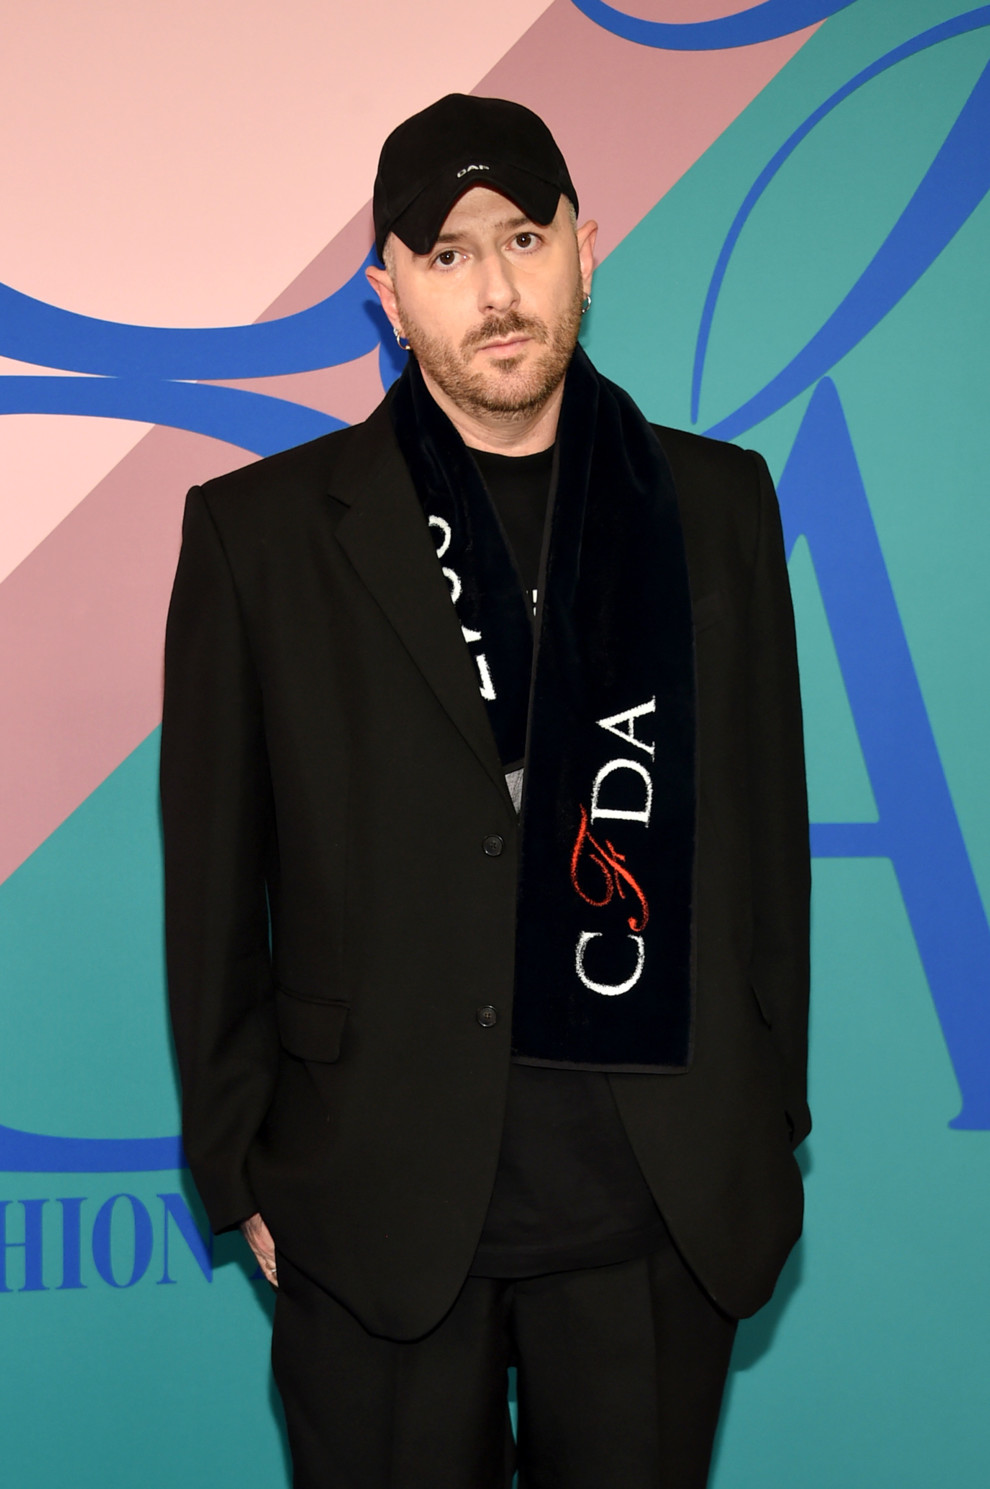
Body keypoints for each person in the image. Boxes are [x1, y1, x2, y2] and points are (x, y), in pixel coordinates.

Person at [161, 93, 810, 1489]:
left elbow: (766, 840)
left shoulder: (715, 505)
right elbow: (213, 882)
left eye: (524, 237)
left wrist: (769, 1117)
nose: (496, 290)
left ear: (588, 247)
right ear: (388, 293)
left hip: (656, 1206)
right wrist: (239, 1161)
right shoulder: (260, 536)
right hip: (375, 1206)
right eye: (446, 254)